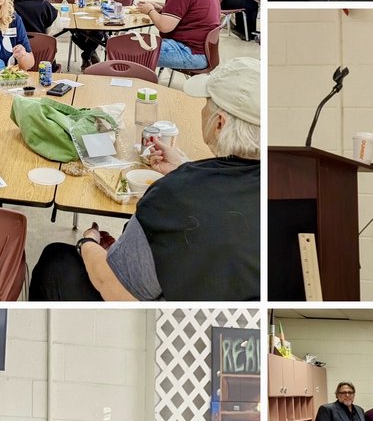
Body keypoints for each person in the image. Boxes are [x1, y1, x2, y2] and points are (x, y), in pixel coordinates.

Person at [29, 57, 260, 302]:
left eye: (207, 104)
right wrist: (185, 168)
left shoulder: (173, 194)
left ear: (220, 124)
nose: (203, 110)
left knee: (55, 259)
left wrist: (87, 242)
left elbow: (115, 288)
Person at [138, 0, 221, 73]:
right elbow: (188, 12)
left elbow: (164, 27)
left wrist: (150, 10)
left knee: (129, 50)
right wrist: (162, 8)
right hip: (204, 51)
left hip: (189, 52)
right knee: (137, 45)